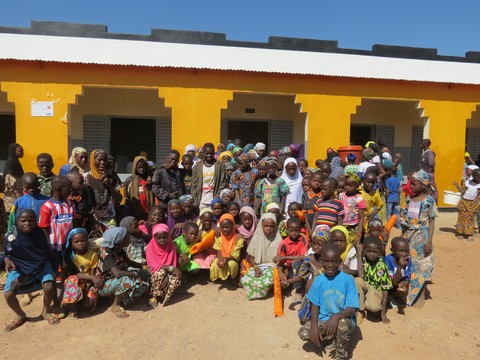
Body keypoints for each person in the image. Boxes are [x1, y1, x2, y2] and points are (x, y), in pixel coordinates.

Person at [298, 243, 359, 360]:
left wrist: (336, 317)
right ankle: (330, 337)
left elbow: (352, 308)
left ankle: (341, 355)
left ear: (340, 261)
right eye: (326, 261)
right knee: (304, 333)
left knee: (341, 324)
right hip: (324, 319)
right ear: (321, 261)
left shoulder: (348, 280)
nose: (330, 265)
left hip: (343, 318)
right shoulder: (319, 280)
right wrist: (314, 326)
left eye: (334, 261)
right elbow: (315, 305)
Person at [2, 209, 59, 331]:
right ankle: (20, 315)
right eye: (23, 221)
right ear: (17, 221)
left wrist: (25, 275)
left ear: (36, 221)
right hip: (19, 266)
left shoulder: (40, 234)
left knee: (49, 286)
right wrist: (6, 260)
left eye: (31, 221)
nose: (27, 223)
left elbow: (42, 257)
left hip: (40, 265)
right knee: (8, 294)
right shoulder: (11, 236)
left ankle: (46, 311)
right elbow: (6, 254)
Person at [400, 169, 436, 306]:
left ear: (424, 185)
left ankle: (417, 296)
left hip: (421, 237)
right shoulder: (409, 199)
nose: (412, 186)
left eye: (414, 184)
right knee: (407, 263)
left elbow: (432, 221)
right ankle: (405, 293)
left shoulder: (429, 201)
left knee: (420, 265)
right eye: (411, 183)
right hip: (408, 235)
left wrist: (429, 241)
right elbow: (404, 218)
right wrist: (401, 237)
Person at [98, 227, 149, 317]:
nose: (129, 238)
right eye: (127, 237)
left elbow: (129, 262)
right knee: (126, 280)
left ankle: (125, 298)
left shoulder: (118, 248)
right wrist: (135, 274)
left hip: (114, 279)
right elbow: (116, 273)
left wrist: (144, 267)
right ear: (120, 239)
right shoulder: (106, 252)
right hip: (103, 284)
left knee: (141, 272)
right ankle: (115, 305)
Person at [240, 213, 283, 300]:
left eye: (271, 226)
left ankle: (264, 290)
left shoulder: (279, 239)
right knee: (245, 280)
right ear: (261, 226)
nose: (269, 228)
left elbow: (281, 260)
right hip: (259, 266)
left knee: (265, 282)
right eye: (266, 226)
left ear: (275, 226)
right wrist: (256, 268)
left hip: (273, 267)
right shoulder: (257, 237)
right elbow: (251, 257)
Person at [61, 228, 102, 318]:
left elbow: (93, 272)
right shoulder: (69, 256)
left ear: (87, 241)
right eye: (76, 241)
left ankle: (82, 300)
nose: (80, 243)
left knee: (89, 303)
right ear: (71, 243)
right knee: (73, 279)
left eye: (83, 240)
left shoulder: (92, 255)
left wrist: (89, 283)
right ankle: (73, 308)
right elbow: (74, 274)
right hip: (75, 283)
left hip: (87, 282)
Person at [38, 176, 75, 273]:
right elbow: (43, 228)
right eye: (68, 190)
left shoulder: (70, 204)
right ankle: (55, 285)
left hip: (68, 244)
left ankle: (65, 286)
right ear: (59, 190)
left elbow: (74, 221)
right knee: (54, 267)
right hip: (53, 246)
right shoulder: (47, 207)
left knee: (67, 267)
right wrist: (48, 247)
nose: (70, 192)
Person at [355, 236, 392, 324]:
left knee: (374, 308)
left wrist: (383, 313)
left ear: (379, 252)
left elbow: (385, 289)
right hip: (365, 284)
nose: (371, 254)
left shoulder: (381, 266)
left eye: (375, 252)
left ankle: (367, 303)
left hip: (376, 288)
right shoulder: (363, 259)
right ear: (364, 250)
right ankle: (361, 310)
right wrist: (359, 255)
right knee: (357, 280)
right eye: (369, 251)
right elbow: (360, 274)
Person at [84, 149, 122, 229]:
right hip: (92, 218)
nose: (102, 163)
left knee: (111, 240)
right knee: (95, 241)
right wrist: (91, 218)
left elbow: (119, 198)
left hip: (109, 217)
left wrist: (108, 184)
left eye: (104, 160)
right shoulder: (85, 178)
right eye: (99, 160)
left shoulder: (112, 176)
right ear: (92, 160)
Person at [146, 223, 182, 307]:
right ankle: (154, 296)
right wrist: (170, 268)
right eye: (159, 238)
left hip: (168, 273)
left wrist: (169, 274)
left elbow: (173, 261)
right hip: (155, 273)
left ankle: (164, 296)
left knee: (177, 279)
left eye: (165, 237)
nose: (162, 240)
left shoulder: (171, 245)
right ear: (154, 238)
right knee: (160, 273)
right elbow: (153, 266)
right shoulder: (150, 247)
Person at [276, 217, 309, 302]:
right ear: (287, 230)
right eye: (291, 230)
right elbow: (281, 261)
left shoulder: (303, 239)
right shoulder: (283, 243)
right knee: (280, 277)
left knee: (297, 263)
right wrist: (280, 272)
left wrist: (286, 257)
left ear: (300, 229)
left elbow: (303, 257)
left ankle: (298, 290)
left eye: (297, 230)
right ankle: (288, 284)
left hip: (301, 268)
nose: (294, 233)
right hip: (289, 268)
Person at [209, 213, 244, 282]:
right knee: (215, 264)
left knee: (231, 265)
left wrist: (226, 259)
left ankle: (230, 278)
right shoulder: (218, 236)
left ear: (233, 226)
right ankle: (218, 278)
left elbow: (235, 255)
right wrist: (220, 259)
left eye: (227, 227)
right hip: (221, 256)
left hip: (232, 259)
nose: (224, 229)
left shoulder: (238, 237)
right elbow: (218, 250)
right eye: (222, 227)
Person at [191, 143, 227, 209]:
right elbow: (194, 184)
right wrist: (195, 200)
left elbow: (222, 183)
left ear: (214, 153)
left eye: (211, 153)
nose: (209, 155)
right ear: (203, 153)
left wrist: (217, 197)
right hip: (201, 201)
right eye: (207, 153)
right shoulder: (197, 166)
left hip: (214, 201)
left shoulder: (220, 166)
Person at [124, 156, 155, 220]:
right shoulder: (130, 180)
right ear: (135, 167)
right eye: (139, 167)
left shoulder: (150, 179)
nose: (141, 169)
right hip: (135, 213)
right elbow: (126, 197)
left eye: (143, 167)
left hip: (148, 212)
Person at [338, 173, 365, 245]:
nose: (347, 187)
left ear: (357, 186)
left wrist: (359, 235)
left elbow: (361, 218)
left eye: (351, 185)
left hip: (354, 227)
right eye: (346, 185)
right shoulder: (340, 196)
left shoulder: (359, 199)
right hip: (341, 226)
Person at [454, 169, 480, 240]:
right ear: (473, 176)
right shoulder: (466, 183)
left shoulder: (479, 186)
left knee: (471, 219)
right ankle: (460, 233)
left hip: (473, 204)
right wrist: (457, 186)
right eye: (478, 177)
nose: (479, 178)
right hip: (464, 203)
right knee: (462, 218)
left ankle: (469, 234)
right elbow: (462, 191)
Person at [385, 237, 412, 307]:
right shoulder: (388, 261)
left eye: (406, 251)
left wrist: (403, 285)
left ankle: (395, 296)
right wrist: (400, 267)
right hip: (388, 284)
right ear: (392, 250)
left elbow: (406, 278)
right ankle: (387, 298)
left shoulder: (408, 261)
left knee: (405, 289)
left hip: (397, 283)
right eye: (401, 251)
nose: (404, 254)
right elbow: (393, 282)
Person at [2, 143, 24, 213]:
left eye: (23, 151)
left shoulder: (16, 161)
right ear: (13, 151)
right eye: (20, 151)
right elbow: (11, 179)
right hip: (13, 192)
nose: (22, 153)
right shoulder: (11, 161)